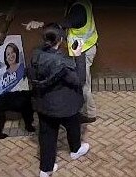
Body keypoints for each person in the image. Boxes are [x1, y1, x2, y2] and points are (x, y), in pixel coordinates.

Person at [30, 24, 90, 177]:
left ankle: (46, 169)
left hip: (44, 103)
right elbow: (79, 79)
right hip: (64, 105)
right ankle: (75, 150)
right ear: (61, 40)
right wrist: (78, 55)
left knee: (47, 135)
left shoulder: (36, 54)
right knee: (73, 125)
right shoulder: (61, 62)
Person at [25, 0, 98, 123]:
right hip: (86, 46)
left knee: (83, 84)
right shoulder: (80, 3)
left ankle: (89, 114)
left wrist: (42, 24)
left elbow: (64, 24)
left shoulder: (79, 10)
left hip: (83, 50)